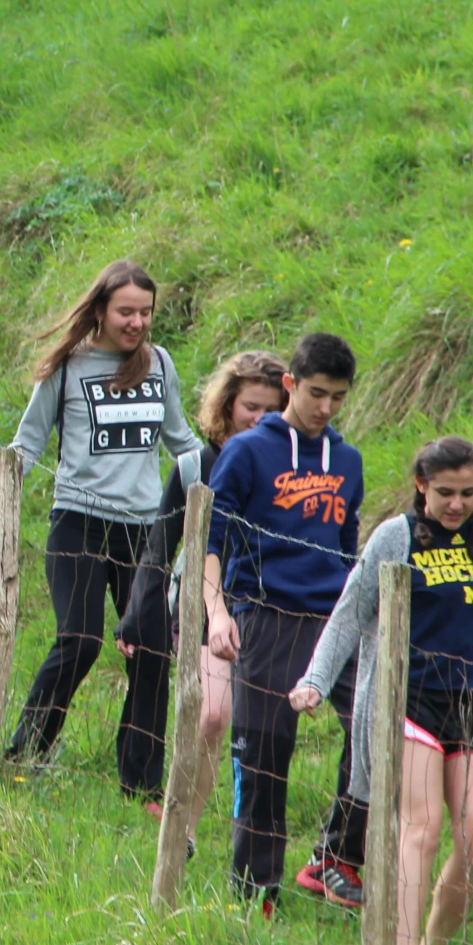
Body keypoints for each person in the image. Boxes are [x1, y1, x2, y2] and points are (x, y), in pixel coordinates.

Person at [290, 439, 473, 945]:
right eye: (445, 492)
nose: (456, 505)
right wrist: (316, 681)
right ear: (421, 484)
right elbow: (351, 612)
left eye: (468, 493)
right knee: (419, 828)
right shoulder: (397, 537)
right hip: (407, 698)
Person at [0, 260, 201, 799]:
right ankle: (26, 752)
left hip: (146, 533)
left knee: (151, 652)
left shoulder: (160, 364)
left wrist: (228, 478)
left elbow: (184, 443)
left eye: (146, 312)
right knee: (79, 640)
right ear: (100, 310)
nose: (138, 322)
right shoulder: (68, 368)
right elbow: (26, 442)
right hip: (78, 522)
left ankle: (141, 785)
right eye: (126, 311)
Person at [201, 332, 365, 912]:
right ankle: (255, 888)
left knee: (375, 725)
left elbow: (350, 553)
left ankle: (335, 855)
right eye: (316, 393)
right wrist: (216, 612)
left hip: (333, 618)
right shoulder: (246, 452)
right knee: (266, 747)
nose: (325, 408)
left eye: (338, 398)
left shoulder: (347, 461)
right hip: (264, 613)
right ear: (290, 385)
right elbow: (209, 538)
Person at [115, 350, 286, 826]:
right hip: (204, 605)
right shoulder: (194, 466)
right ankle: (182, 824)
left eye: (272, 410)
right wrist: (135, 615)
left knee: (263, 728)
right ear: (227, 404)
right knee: (212, 717)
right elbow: (158, 548)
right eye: (250, 406)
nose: (259, 419)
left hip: (275, 604)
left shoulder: (293, 471)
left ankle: (249, 824)